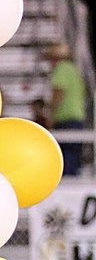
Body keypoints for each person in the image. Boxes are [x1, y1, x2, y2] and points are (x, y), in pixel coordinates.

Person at [43, 42, 89, 175]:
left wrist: (51, 114)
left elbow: (58, 92)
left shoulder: (61, 69)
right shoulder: (74, 70)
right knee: (73, 156)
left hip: (66, 118)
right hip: (77, 117)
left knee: (65, 157)